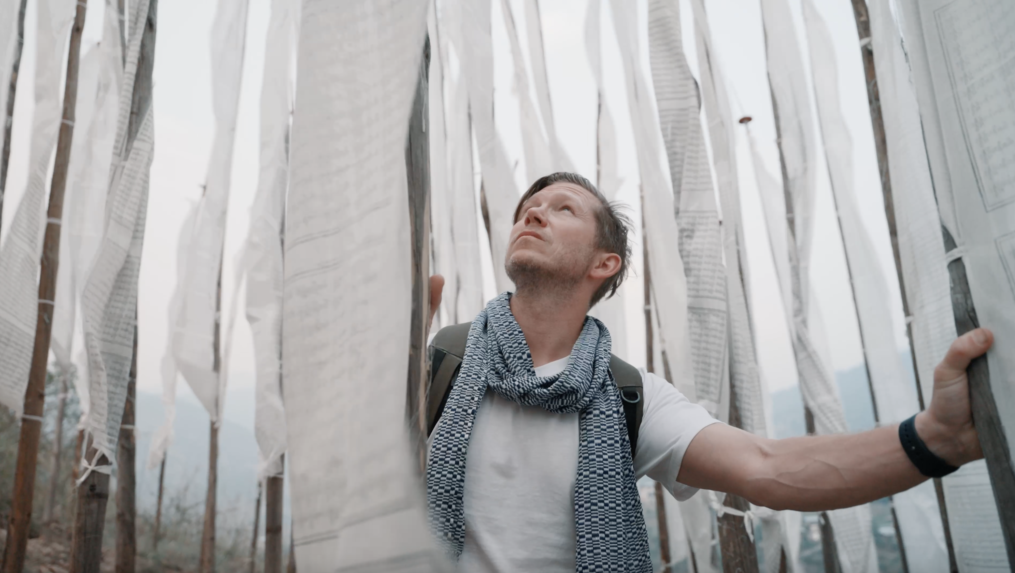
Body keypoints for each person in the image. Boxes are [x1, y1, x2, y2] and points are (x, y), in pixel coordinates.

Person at [424, 172, 993, 573]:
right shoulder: (439, 363)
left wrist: (933, 440)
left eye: (563, 207)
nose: (534, 211)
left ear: (604, 264)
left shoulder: (628, 397)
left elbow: (766, 468)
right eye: (530, 206)